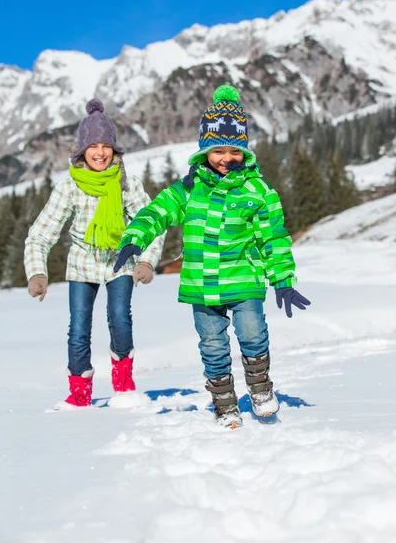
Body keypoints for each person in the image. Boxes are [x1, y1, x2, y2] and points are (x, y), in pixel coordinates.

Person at [113, 85, 311, 429]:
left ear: (244, 151)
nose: (226, 158)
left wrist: (282, 279)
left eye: (234, 151)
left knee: (252, 333)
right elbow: (157, 211)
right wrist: (135, 237)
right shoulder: (188, 189)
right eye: (217, 150)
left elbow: (274, 238)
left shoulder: (258, 191)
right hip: (201, 284)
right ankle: (225, 405)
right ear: (204, 150)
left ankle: (261, 389)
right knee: (213, 345)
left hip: (243, 279)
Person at [24, 98, 165, 410]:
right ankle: (79, 395)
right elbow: (41, 233)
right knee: (78, 329)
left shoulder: (126, 184)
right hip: (82, 263)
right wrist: (37, 272)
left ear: (114, 150)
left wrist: (145, 260)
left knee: (119, 318)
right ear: (82, 151)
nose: (100, 152)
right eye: (93, 146)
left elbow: (153, 222)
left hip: (120, 261)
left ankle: (125, 386)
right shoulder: (71, 186)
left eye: (106, 145)